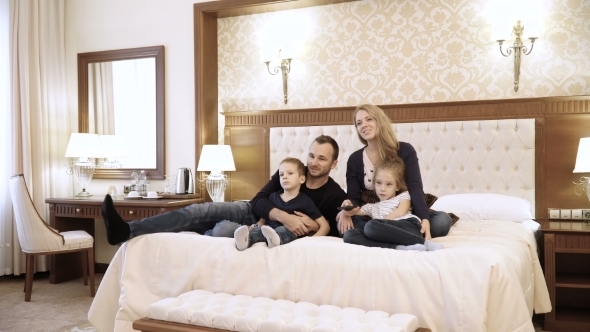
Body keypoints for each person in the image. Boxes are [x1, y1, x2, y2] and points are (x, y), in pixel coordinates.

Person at [101, 135, 347, 245]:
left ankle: (206, 231)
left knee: (221, 230)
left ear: (334, 164)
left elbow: (334, 229)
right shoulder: (291, 171)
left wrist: (315, 225)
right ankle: (126, 230)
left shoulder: (334, 194)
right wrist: (283, 216)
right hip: (248, 211)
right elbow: (259, 199)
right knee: (197, 211)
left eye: (322, 159)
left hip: (260, 228)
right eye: (312, 155)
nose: (314, 162)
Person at [338, 104, 452, 239]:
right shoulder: (354, 159)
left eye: (369, 119)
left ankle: (379, 234)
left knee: (442, 221)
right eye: (359, 123)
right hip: (373, 214)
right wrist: (348, 209)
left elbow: (415, 188)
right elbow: (354, 198)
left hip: (403, 212)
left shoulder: (405, 150)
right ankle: (403, 236)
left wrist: (424, 219)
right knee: (345, 227)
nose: (364, 125)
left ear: (380, 121)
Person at [340, 158, 443, 251]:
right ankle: (399, 247)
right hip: (385, 234)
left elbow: (401, 212)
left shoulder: (403, 196)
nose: (382, 188)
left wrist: (380, 224)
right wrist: (346, 207)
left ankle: (425, 243)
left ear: (397, 186)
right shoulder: (371, 207)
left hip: (408, 226)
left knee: (370, 226)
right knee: (349, 235)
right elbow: (354, 212)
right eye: (378, 183)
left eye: (389, 184)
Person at [234, 157, 330, 250]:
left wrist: (311, 240)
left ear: (302, 179)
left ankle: (276, 240)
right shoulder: (272, 197)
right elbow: (263, 220)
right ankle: (246, 241)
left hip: (288, 231)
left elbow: (325, 226)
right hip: (268, 229)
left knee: (283, 230)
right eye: (281, 174)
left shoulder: (306, 201)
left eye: (290, 173)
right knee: (258, 231)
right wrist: (255, 227)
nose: (284, 176)